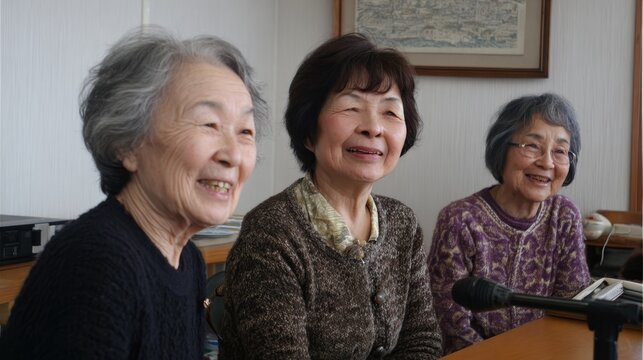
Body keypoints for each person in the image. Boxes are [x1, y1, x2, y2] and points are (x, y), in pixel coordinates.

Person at [0, 26, 268, 359]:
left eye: (245, 131)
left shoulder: (188, 260)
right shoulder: (96, 263)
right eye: (209, 124)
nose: (233, 154)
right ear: (128, 143)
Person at [219, 33, 442, 359]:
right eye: (352, 107)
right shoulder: (272, 235)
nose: (374, 128)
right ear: (309, 131)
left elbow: (421, 341)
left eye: (390, 113)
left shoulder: (401, 223)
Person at [427, 93, 591, 354]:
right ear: (501, 149)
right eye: (532, 146)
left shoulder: (564, 216)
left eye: (560, 151)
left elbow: (571, 308)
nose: (547, 162)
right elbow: (451, 324)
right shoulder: (460, 220)